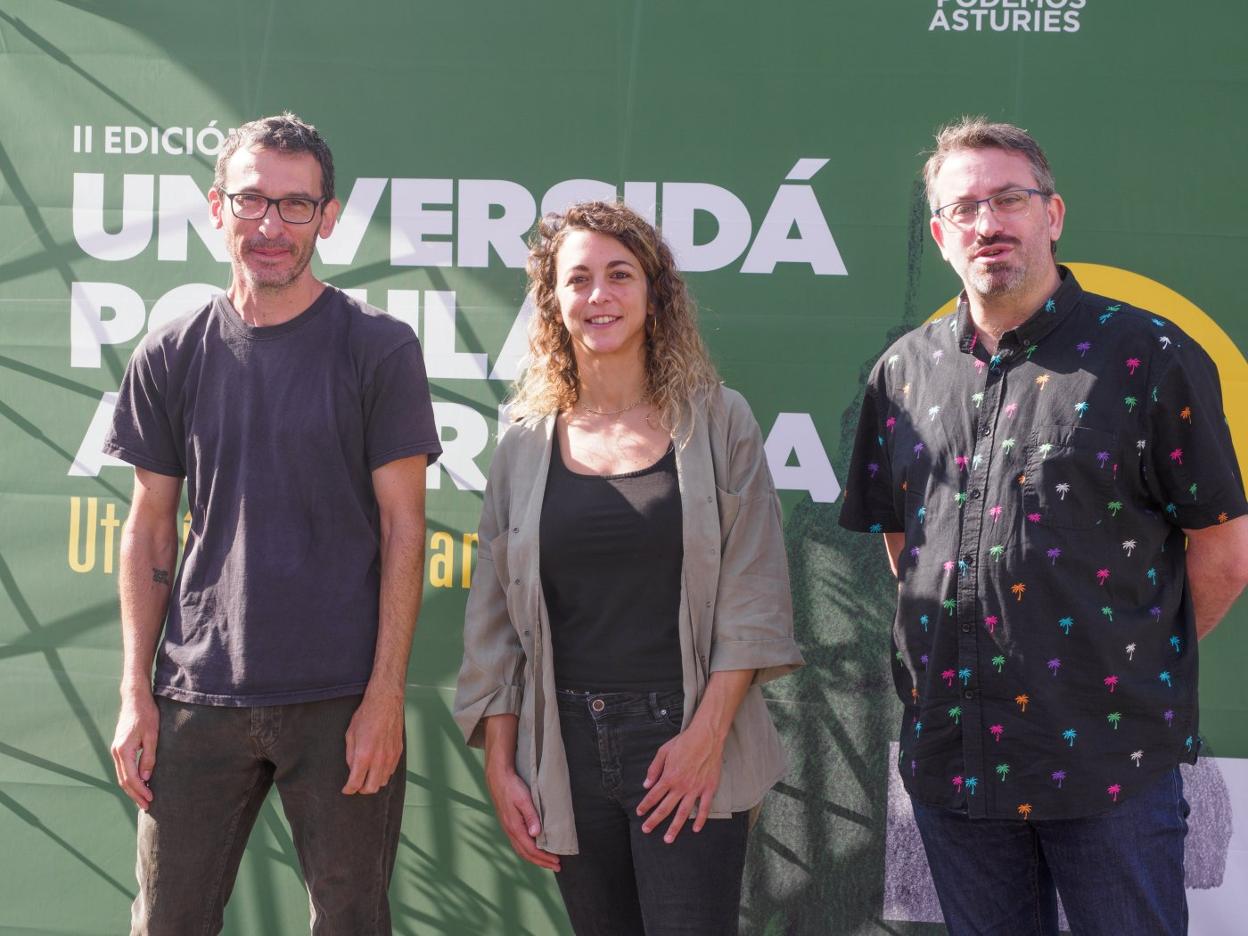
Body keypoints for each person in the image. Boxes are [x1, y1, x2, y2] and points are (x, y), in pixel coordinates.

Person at [840, 116, 1248, 934]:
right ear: (939, 233)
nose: (988, 224)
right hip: (956, 763)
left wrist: (1120, 664)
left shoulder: (1149, 354)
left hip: (1111, 765)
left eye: (1010, 199)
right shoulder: (901, 374)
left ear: (1052, 215)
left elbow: (1224, 552)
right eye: (965, 208)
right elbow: (907, 546)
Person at [104, 112, 442, 935]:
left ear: (328, 218)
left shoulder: (379, 349)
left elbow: (407, 533)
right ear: (216, 209)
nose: (271, 226)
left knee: (351, 920)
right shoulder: (172, 349)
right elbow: (150, 528)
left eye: (295, 207)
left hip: (340, 697)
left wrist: (385, 697)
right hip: (195, 691)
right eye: (252, 202)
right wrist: (134, 691)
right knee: (167, 922)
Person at [453, 201, 803, 935]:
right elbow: (493, 626)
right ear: (553, 301)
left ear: (654, 292)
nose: (600, 296)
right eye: (578, 280)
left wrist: (704, 740)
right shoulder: (523, 447)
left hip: (684, 736)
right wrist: (501, 765)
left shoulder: (719, 421)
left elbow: (754, 595)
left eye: (620, 275)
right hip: (567, 749)